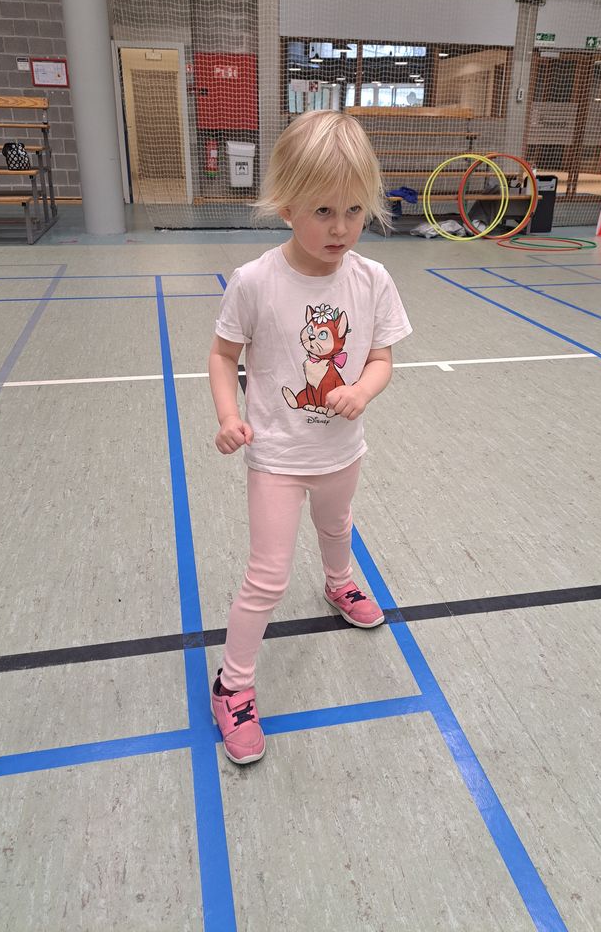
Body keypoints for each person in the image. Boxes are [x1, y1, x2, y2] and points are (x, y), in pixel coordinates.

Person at [207, 110, 412, 764]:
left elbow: (381, 358)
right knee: (267, 577)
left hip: (341, 452)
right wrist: (229, 416)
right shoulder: (256, 281)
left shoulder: (372, 280)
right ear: (287, 206)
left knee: (337, 526)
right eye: (324, 211)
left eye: (354, 210)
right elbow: (222, 356)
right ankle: (232, 685)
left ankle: (339, 582)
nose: (341, 228)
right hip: (276, 458)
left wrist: (363, 390)